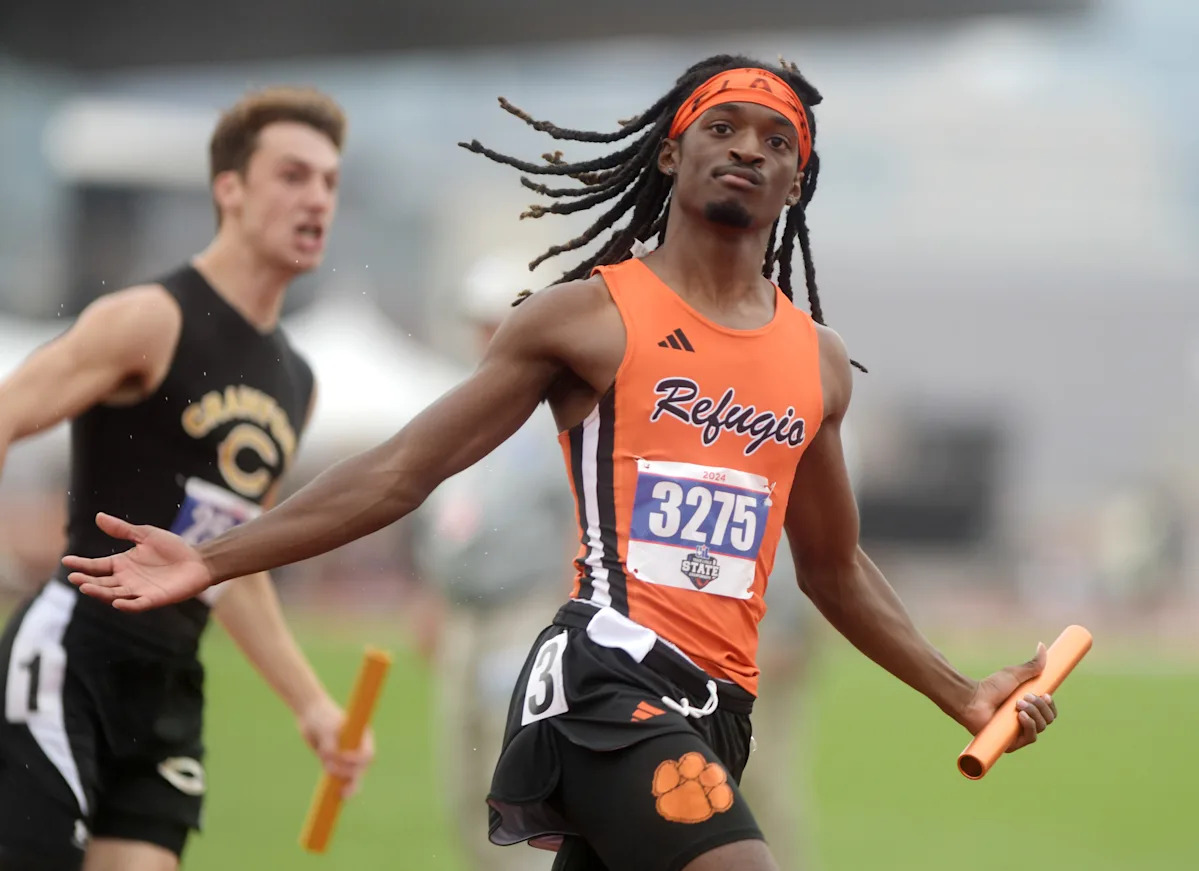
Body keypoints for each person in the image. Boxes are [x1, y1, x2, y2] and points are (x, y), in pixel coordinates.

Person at [65, 55, 1060, 871]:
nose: (748, 152)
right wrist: (216, 558)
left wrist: (960, 692)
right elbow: (404, 466)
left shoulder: (817, 364)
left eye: (776, 142)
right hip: (603, 686)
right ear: (672, 152)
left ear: (796, 180)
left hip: (721, 714)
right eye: (723, 129)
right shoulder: (586, 320)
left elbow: (834, 568)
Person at [0, 86, 374, 871]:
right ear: (229, 188)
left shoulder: (293, 378)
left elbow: (234, 559)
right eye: (293, 175)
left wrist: (310, 700)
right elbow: (8, 412)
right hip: (74, 654)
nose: (317, 199)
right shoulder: (151, 318)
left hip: (168, 683)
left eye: (330, 182)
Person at [415, 254, 575, 871]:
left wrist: (564, 626)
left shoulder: (552, 414)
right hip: (464, 614)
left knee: (512, 773)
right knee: (459, 770)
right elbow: (445, 515)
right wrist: (431, 596)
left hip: (526, 613)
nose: (485, 336)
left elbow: (577, 522)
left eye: (496, 321)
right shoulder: (460, 405)